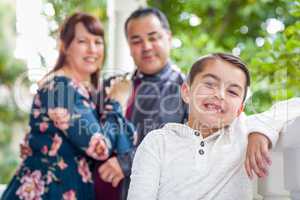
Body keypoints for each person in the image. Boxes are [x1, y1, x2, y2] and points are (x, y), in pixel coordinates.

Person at [127, 53, 300, 199]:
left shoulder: (242, 134)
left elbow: (294, 105)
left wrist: (259, 131)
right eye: (209, 84)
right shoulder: (158, 142)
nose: (219, 94)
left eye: (232, 91)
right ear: (187, 92)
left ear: (240, 109)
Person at [1, 12, 134, 200]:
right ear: (65, 46)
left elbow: (126, 140)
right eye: (82, 41)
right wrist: (117, 101)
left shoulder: (84, 92)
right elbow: (100, 147)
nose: (92, 49)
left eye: (98, 42)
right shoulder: (60, 88)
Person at [95, 7, 188, 200]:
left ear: (168, 38)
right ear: (129, 47)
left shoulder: (187, 91)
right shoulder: (112, 85)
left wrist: (126, 163)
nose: (146, 46)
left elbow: (186, 143)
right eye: (136, 41)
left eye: (153, 38)